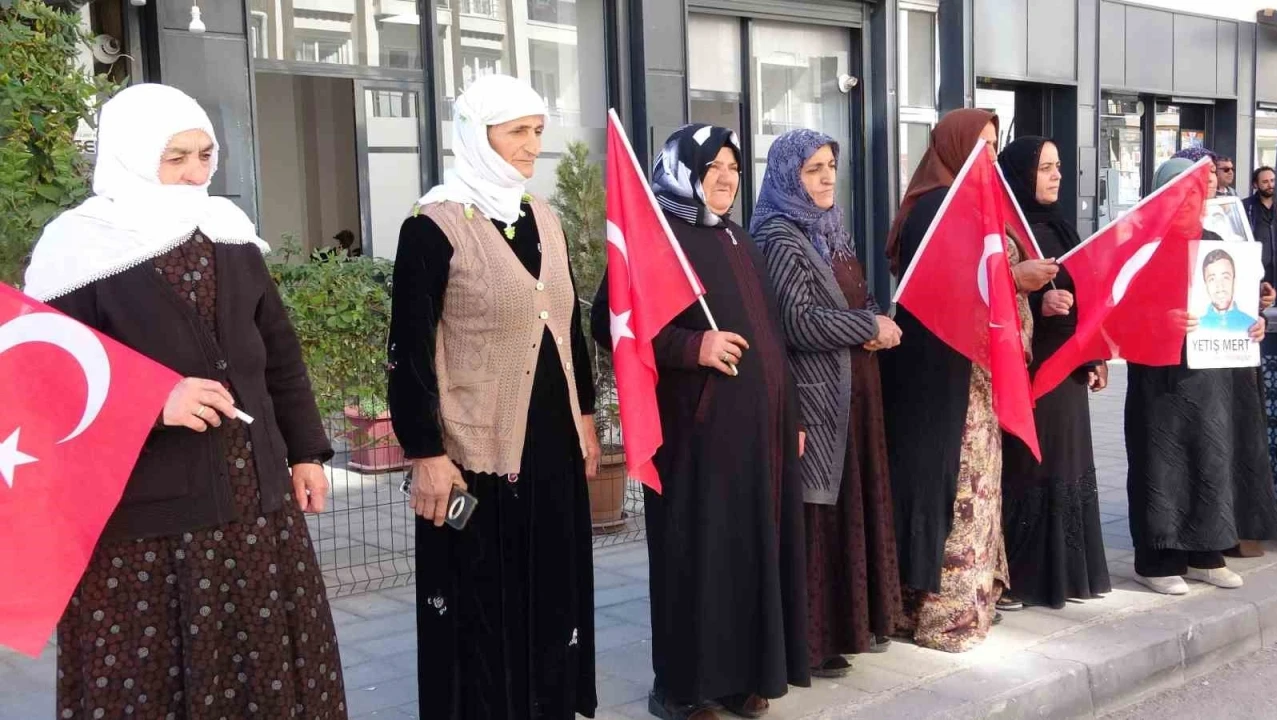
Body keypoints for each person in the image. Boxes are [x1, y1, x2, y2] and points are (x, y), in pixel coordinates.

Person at [25, 84, 346, 719]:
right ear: (131, 155)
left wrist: (307, 452)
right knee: (155, 686)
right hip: (147, 526)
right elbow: (44, 380)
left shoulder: (227, 232)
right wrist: (152, 401)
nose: (195, 174)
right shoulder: (75, 248)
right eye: (175, 158)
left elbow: (278, 354)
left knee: (264, 677)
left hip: (255, 509)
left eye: (205, 155)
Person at [387, 74, 600, 719]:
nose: (533, 145)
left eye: (537, 130)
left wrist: (587, 417)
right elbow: (408, 351)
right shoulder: (432, 227)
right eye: (517, 132)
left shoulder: (545, 219)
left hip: (552, 448)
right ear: (477, 137)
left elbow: (569, 325)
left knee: (552, 590)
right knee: (479, 598)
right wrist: (426, 454)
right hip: (473, 456)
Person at [592, 125, 809, 719]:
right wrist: (694, 346)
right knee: (695, 555)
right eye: (713, 166)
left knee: (748, 551)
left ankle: (740, 676)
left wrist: (789, 414)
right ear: (683, 170)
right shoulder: (656, 236)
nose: (726, 178)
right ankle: (680, 688)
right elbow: (608, 322)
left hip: (758, 433)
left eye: (734, 168)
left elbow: (773, 338)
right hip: (693, 433)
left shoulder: (739, 238)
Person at [880, 109, 1058, 653]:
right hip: (941, 377)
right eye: (979, 145)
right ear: (954, 149)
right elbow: (952, 288)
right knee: (956, 491)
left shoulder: (974, 202)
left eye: (994, 145)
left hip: (974, 377)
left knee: (978, 489)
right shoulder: (933, 206)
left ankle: (971, 603)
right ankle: (942, 616)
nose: (988, 156)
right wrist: (1015, 278)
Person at [752, 129, 902, 678]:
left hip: (853, 392)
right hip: (816, 397)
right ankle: (813, 641)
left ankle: (851, 627)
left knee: (851, 508)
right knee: (818, 517)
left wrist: (877, 317)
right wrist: (868, 326)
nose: (826, 177)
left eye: (830, 166)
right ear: (788, 176)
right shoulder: (778, 235)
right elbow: (795, 321)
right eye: (813, 169)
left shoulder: (829, 227)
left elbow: (855, 295)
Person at [1124, 158, 1277, 595]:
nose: (1199, 196)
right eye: (1189, 188)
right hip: (1163, 379)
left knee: (1212, 457)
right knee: (1164, 465)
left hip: (1214, 377)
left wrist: (1255, 319)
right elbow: (1119, 312)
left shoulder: (1214, 241)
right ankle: (1157, 561)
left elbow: (1236, 307)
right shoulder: (1142, 245)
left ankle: (1206, 554)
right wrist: (1161, 320)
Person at [996, 136, 1112, 611]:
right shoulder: (1007, 227)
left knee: (1067, 464)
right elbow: (993, 296)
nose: (1057, 175)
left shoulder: (1062, 228)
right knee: (1032, 466)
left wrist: (1094, 355)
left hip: (1070, 369)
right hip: (1031, 368)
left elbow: (1087, 296)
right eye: (1045, 167)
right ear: (1022, 174)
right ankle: (1025, 577)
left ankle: (1066, 573)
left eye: (1058, 165)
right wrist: (1037, 303)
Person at [1245, 167, 1277, 501]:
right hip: (1260, 288)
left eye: (1273, 180)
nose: (1270, 185)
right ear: (1256, 184)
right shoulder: (1247, 210)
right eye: (1265, 181)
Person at [1198, 249, 1256, 332]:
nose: (1220, 286)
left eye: (1225, 277)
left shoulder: (1251, 325)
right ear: (1205, 284)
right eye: (1212, 279)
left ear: (1234, 281)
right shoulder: (1196, 327)